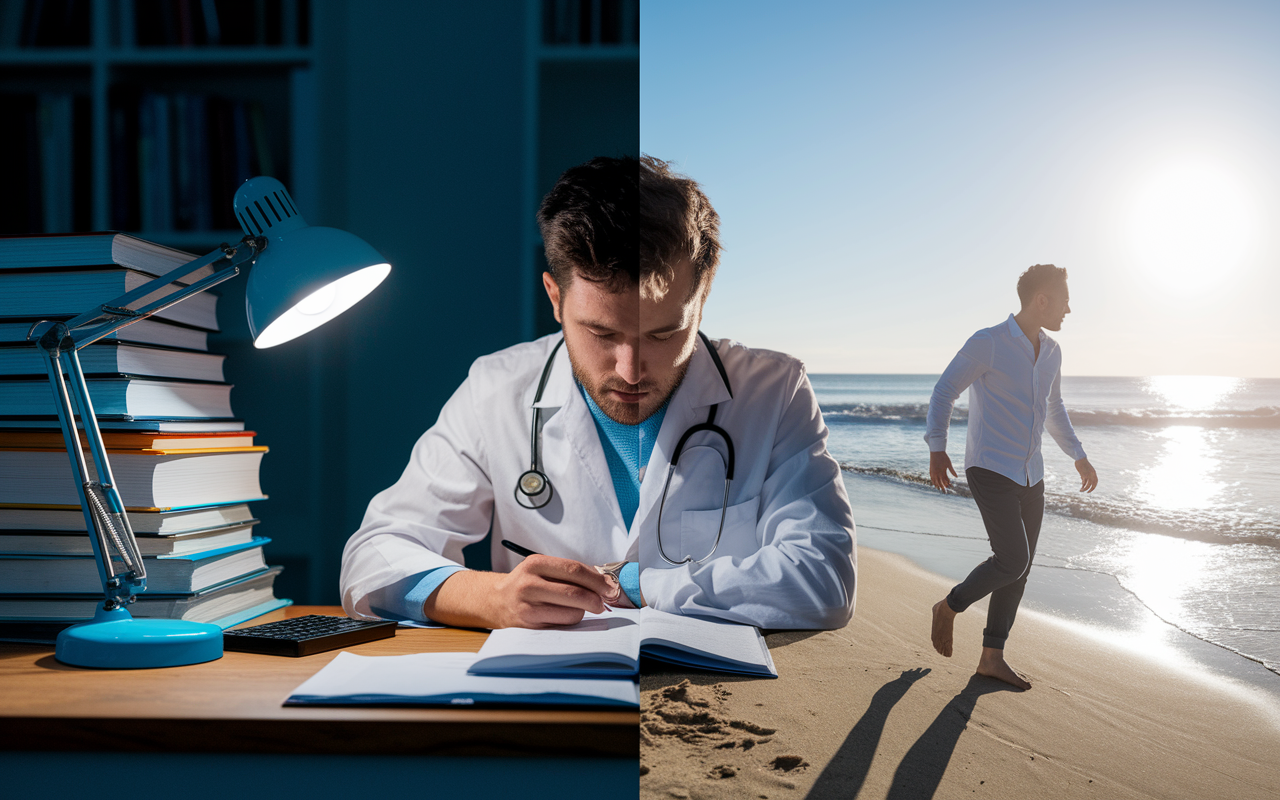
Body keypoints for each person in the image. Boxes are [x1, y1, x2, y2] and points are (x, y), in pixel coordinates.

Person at [339, 155, 855, 631]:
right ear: (555, 298)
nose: (630, 371)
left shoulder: (775, 390)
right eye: (602, 334)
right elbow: (373, 556)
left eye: (662, 334)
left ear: (703, 299)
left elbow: (823, 577)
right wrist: (492, 596)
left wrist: (633, 586)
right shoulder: (494, 389)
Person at [924, 264, 1098, 690]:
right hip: (989, 466)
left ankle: (991, 657)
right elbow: (945, 391)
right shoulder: (989, 342)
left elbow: (1053, 409)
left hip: (1030, 473)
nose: (1069, 309)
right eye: (1065, 300)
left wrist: (1078, 455)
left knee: (1019, 569)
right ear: (1042, 300)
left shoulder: (1053, 352)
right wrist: (937, 448)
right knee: (1012, 559)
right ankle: (949, 606)